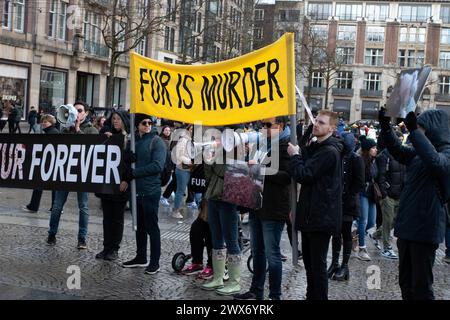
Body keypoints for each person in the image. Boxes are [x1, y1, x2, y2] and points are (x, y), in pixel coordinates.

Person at [379, 109, 450, 300]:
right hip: (408, 227)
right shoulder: (419, 152)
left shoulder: (446, 153)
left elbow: (437, 163)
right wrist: (386, 128)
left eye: (421, 127)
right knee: (406, 283)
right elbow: (398, 151)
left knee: (421, 286)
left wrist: (414, 132)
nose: (418, 130)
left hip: (426, 229)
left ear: (435, 130)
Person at [234, 116, 291, 301]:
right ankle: (256, 291)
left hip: (274, 208)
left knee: (272, 254)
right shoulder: (263, 145)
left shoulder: (287, 146)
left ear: (280, 126)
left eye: (268, 125)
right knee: (256, 251)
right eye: (262, 125)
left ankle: (275, 296)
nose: (264, 128)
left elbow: (287, 176)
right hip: (257, 204)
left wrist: (260, 169)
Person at [287, 110, 343, 300]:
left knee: (317, 267)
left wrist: (294, 156)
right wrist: (305, 136)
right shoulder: (318, 146)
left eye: (321, 122)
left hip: (320, 218)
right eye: (316, 121)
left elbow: (305, 174)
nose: (316, 124)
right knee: (311, 266)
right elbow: (304, 151)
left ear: (332, 128)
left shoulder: (329, 151)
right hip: (312, 215)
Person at [47, 102, 99, 249]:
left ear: (86, 113)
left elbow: (92, 148)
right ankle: (52, 233)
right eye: (74, 110)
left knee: (83, 207)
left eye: (80, 110)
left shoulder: (92, 130)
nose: (76, 113)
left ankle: (82, 238)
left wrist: (77, 130)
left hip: (83, 174)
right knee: (57, 206)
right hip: (65, 174)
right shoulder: (64, 130)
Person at [122, 114, 166, 275]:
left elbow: (157, 166)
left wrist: (135, 172)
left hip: (150, 191)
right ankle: (141, 257)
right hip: (135, 191)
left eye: (150, 122)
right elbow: (126, 165)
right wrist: (127, 161)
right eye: (144, 122)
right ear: (137, 125)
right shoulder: (133, 141)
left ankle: (155, 262)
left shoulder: (157, 141)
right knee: (139, 227)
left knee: (151, 227)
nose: (148, 125)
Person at [201, 135, 241, 296]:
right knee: (216, 239)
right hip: (214, 197)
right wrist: (207, 161)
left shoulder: (235, 154)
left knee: (231, 240)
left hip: (227, 200)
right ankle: (218, 277)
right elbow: (209, 177)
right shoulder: (217, 153)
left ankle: (234, 281)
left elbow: (225, 174)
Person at [95, 111, 132, 261]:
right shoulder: (107, 134)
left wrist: (126, 180)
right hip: (107, 183)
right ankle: (106, 247)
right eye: (114, 119)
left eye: (118, 119)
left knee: (117, 218)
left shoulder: (129, 139)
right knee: (107, 217)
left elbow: (130, 162)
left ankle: (114, 248)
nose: (116, 121)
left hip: (120, 184)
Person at [328, 132, 365, 281]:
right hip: (337, 202)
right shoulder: (339, 157)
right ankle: (335, 263)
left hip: (348, 204)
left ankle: (344, 265)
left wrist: (348, 194)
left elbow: (359, 182)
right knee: (335, 233)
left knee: (345, 233)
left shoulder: (356, 159)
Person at [371, 132, 406, 259]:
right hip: (388, 195)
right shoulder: (384, 155)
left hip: (400, 195)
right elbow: (381, 176)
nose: (400, 142)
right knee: (388, 221)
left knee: (394, 220)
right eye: (398, 140)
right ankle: (386, 247)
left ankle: (375, 235)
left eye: (401, 140)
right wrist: (384, 194)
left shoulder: (402, 154)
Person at [23, 114, 59, 213]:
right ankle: (51, 206)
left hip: (49, 163)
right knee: (47, 185)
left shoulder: (52, 132)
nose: (43, 123)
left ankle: (35, 206)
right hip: (47, 163)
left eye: (45, 122)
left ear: (51, 123)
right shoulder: (49, 132)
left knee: (43, 184)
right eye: (42, 121)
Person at [356, 135, 379, 261]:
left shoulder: (374, 160)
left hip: (372, 194)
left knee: (371, 222)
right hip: (362, 193)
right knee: (363, 221)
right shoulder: (360, 160)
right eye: (373, 148)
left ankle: (355, 233)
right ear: (367, 149)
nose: (376, 150)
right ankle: (362, 248)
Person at [172, 124, 194, 219]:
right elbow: (179, 155)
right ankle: (175, 210)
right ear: (188, 129)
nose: (193, 130)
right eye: (192, 129)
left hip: (190, 169)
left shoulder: (192, 140)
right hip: (182, 169)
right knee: (180, 190)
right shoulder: (183, 140)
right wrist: (190, 161)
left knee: (189, 189)